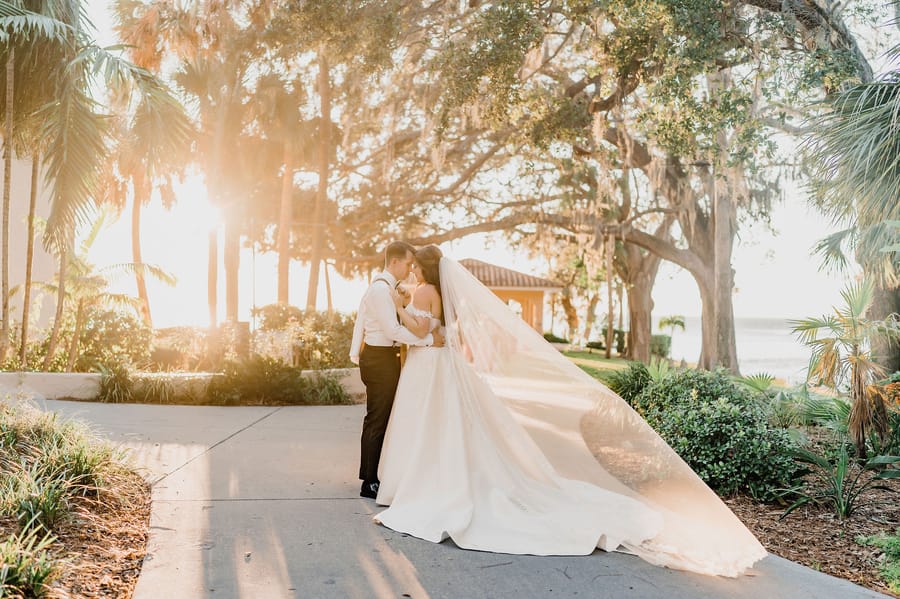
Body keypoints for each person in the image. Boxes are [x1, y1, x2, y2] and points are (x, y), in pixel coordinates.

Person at [372, 245, 768, 577]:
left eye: (414, 266)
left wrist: (398, 307)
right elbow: (439, 331)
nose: (410, 270)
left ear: (423, 266)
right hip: (440, 367)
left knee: (432, 427)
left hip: (431, 367)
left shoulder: (423, 291)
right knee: (444, 428)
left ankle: (423, 485)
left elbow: (424, 332)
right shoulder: (434, 292)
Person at [349, 241, 445, 499]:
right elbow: (392, 330)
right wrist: (428, 341)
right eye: (407, 263)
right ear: (394, 262)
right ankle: (369, 481)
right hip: (379, 359)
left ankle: (375, 474)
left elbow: (362, 318)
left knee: (382, 417)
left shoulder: (387, 288)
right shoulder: (380, 290)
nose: (410, 269)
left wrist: (355, 351)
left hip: (383, 357)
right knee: (377, 418)